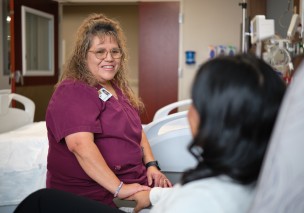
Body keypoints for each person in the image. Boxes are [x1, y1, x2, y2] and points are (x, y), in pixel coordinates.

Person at [14, 53, 286, 213]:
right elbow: (83, 143)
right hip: (142, 195)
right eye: (100, 51)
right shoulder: (262, 177)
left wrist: (125, 188)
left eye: (196, 102)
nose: (109, 57)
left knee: (40, 202)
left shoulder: (203, 200)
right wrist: (152, 191)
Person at [127, 53, 286, 212]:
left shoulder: (196, 203)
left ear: (214, 121)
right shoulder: (267, 178)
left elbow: (196, 200)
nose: (189, 112)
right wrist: (154, 195)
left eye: (195, 102)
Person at [45, 13, 171, 208]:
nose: (109, 58)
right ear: (83, 55)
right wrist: (120, 189)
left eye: (115, 51)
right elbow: (80, 146)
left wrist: (151, 165)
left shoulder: (114, 87)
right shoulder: (73, 90)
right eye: (100, 52)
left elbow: (136, 130)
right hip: (94, 194)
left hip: (133, 181)